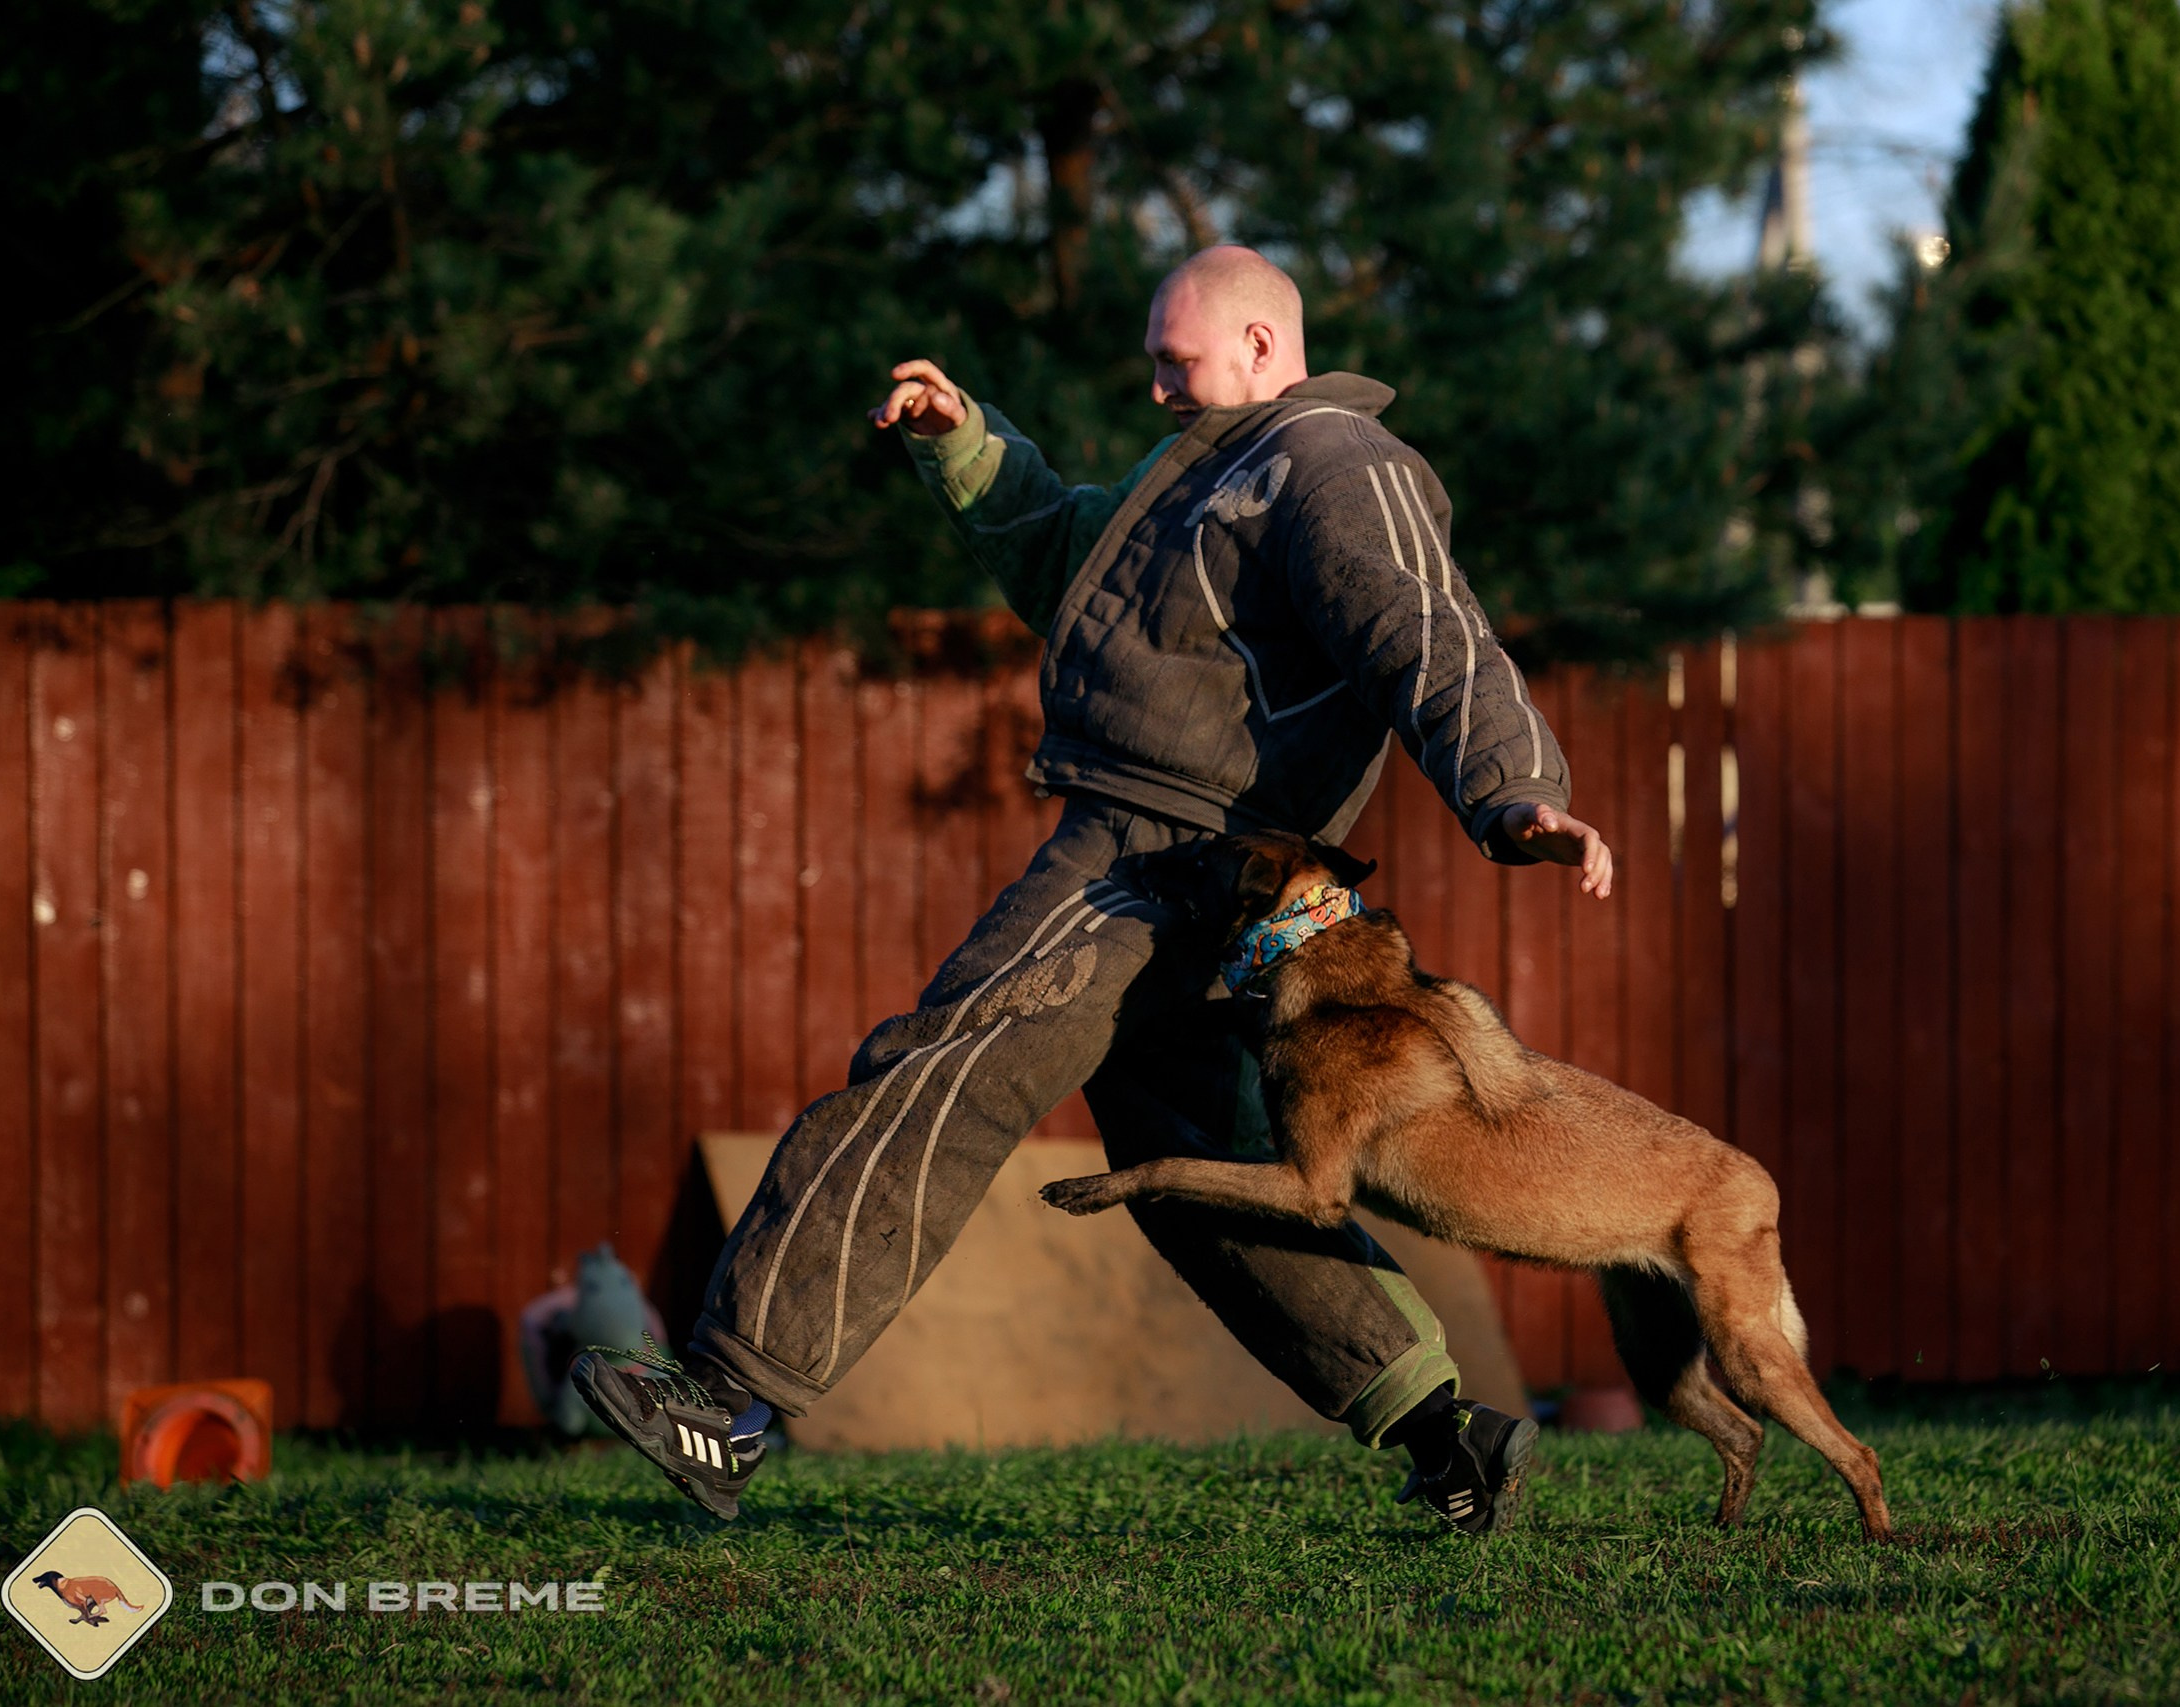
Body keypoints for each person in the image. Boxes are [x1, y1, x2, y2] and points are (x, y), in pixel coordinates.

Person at [573, 245, 1615, 1533]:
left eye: (1179, 364)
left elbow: (1426, 626)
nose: (1162, 392)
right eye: (1153, 367)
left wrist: (1512, 790)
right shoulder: (1216, 476)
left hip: (1149, 854)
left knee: (939, 1071)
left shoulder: (1336, 462)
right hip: (1201, 882)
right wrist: (969, 444)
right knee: (1198, 1163)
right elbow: (1077, 562)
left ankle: (725, 1405)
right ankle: (1448, 1435)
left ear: (1257, 346)